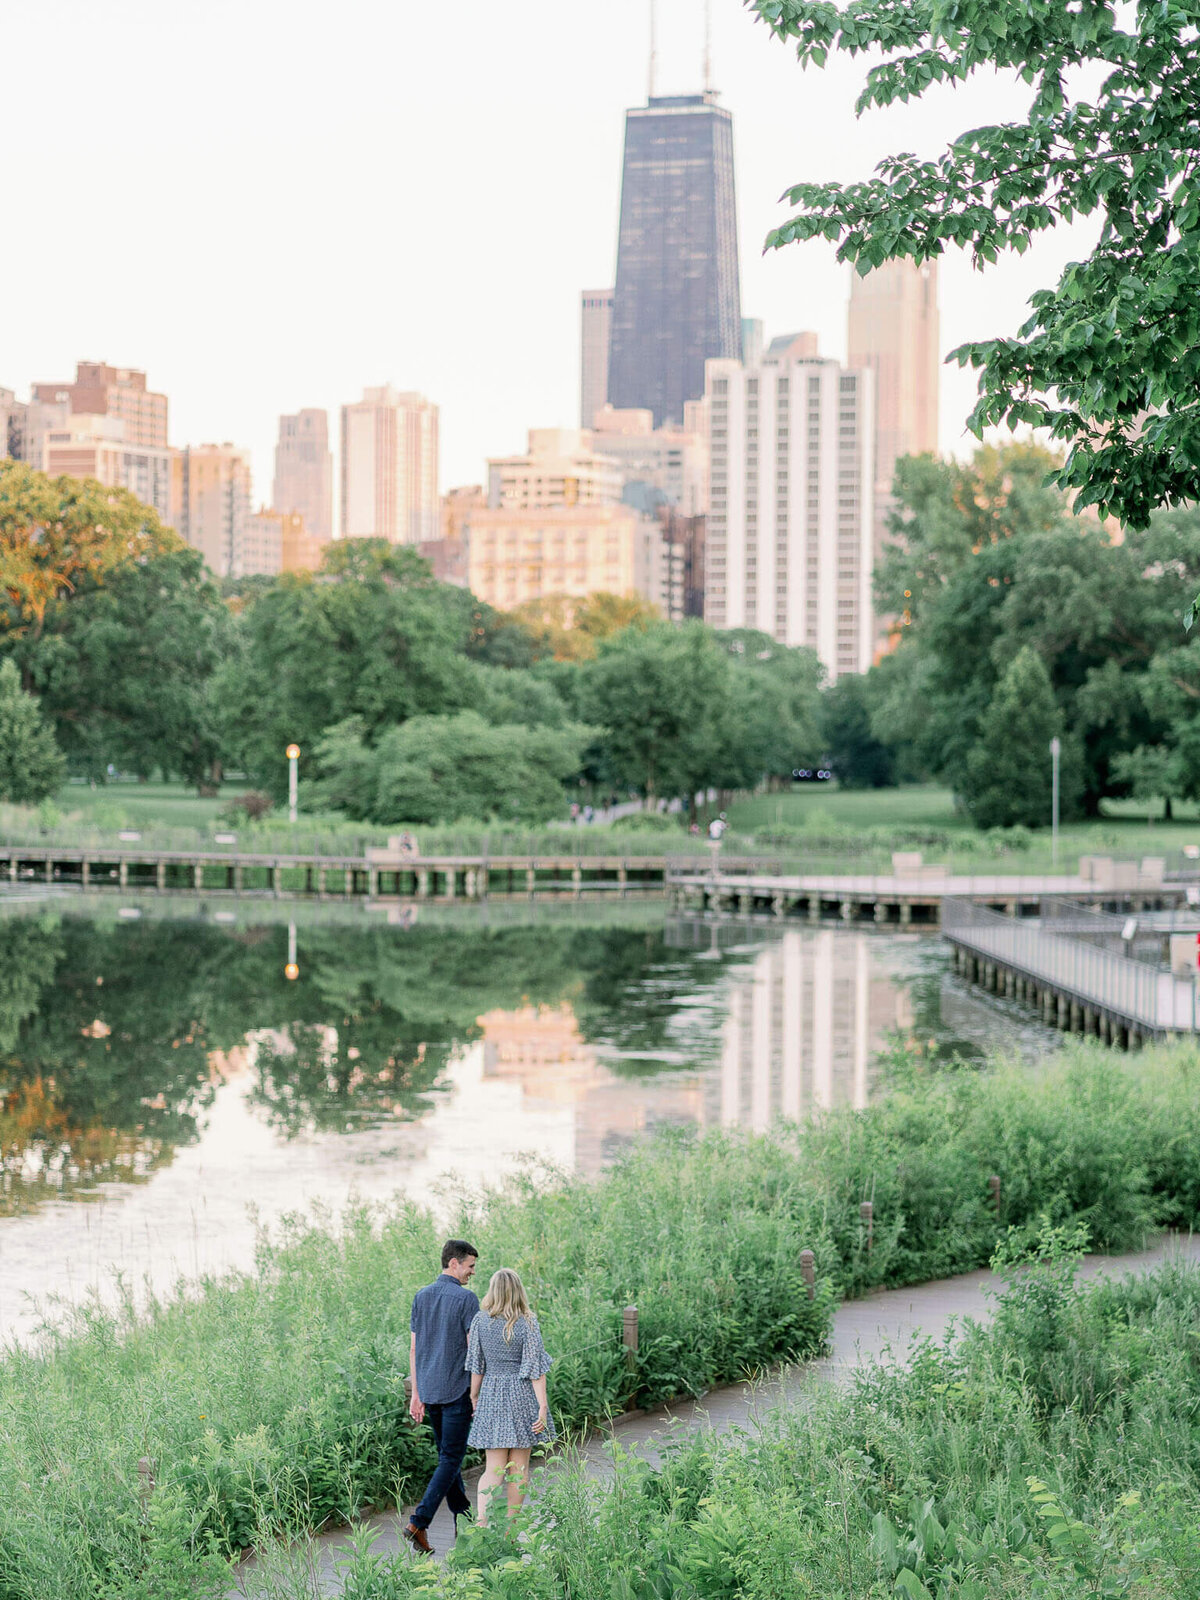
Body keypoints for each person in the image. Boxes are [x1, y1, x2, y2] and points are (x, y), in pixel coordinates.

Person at [402, 1239, 480, 1555]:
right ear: (453, 1263)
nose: (472, 1272)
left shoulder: (421, 1297)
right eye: (470, 1266)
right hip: (457, 1391)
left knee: (449, 1458)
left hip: (431, 1392)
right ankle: (419, 1521)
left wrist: (416, 1394)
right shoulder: (466, 1299)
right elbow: (475, 1351)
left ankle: (465, 1524)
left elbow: (413, 1348)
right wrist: (476, 1393)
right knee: (451, 1457)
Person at [465, 1267, 555, 1525]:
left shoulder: (480, 1321)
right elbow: (536, 1370)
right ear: (518, 1291)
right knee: (519, 1469)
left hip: (492, 1394)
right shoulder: (527, 1321)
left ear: (493, 1291)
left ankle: (481, 1522)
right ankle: (511, 1528)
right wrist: (542, 1407)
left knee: (493, 1468)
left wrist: (474, 1396)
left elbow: (476, 1366)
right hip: (522, 1395)